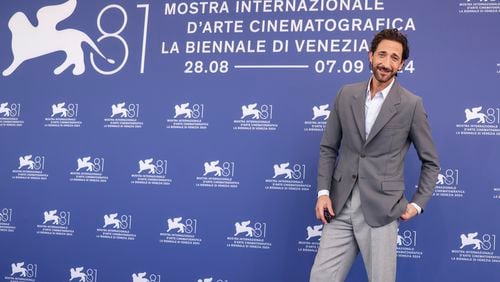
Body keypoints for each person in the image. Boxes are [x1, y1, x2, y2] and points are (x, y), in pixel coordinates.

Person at [309, 29, 440, 282]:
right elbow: (328, 148)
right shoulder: (345, 94)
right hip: (339, 204)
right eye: (382, 55)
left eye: (394, 58)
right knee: (321, 277)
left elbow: (431, 162)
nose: (386, 63)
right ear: (370, 56)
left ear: (402, 64)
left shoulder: (412, 104)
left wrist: (417, 205)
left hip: (382, 209)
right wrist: (323, 193)